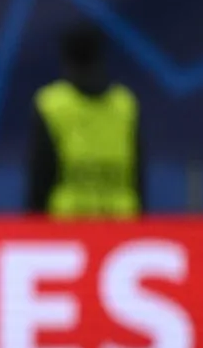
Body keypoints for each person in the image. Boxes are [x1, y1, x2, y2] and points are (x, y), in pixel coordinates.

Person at [25, 22, 146, 218]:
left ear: (65, 58)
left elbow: (40, 175)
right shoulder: (125, 104)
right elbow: (139, 175)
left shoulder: (51, 104)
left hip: (67, 224)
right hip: (122, 222)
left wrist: (34, 229)